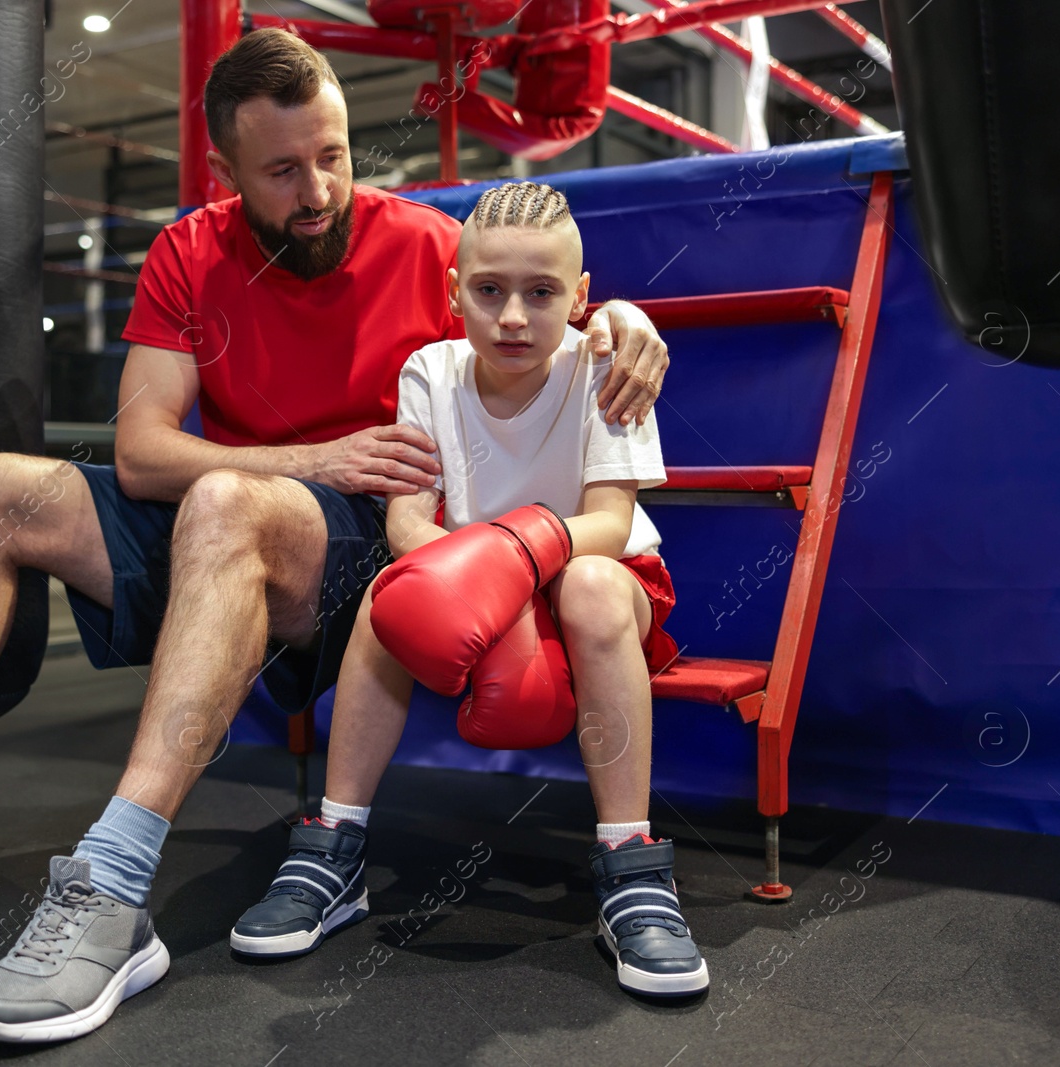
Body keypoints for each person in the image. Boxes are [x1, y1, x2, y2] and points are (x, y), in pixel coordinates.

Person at [0, 30, 672, 1042]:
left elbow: (531, 313)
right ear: (225, 172)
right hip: (250, 501)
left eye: (332, 156)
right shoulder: (189, 250)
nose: (318, 190)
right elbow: (140, 456)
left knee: (222, 503)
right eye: (283, 170)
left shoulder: (426, 245)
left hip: (369, 549)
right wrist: (315, 457)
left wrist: (626, 321)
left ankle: (113, 886)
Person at [230, 180, 709, 997]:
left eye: (542, 292)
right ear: (454, 292)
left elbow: (608, 521)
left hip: (597, 580)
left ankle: (632, 865)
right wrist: (479, 579)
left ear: (582, 297)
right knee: (389, 591)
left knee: (592, 584)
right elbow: (408, 523)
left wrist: (510, 560)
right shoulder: (430, 370)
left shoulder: (606, 366)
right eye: (489, 291)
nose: (514, 317)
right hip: (476, 583)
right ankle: (335, 847)